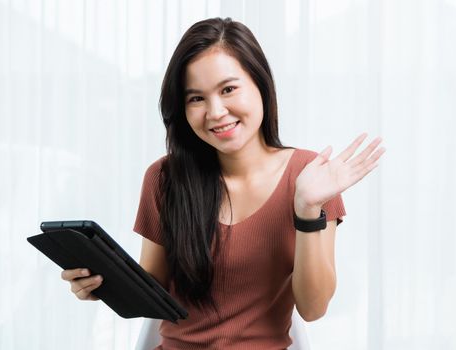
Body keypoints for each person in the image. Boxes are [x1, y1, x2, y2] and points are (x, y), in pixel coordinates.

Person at [60, 17, 385, 349]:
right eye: (196, 98)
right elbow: (153, 288)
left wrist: (307, 209)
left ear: (260, 84)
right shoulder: (165, 178)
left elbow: (313, 308)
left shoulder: (310, 175)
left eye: (228, 89)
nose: (215, 112)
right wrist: (102, 283)